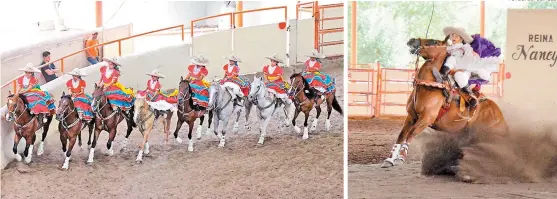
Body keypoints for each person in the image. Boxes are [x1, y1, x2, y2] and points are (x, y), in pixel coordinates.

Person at [441, 26, 501, 107]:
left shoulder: (466, 48)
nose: (453, 37)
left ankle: (469, 95)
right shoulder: (447, 48)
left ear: (461, 39)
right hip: (450, 71)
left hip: (463, 70)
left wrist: (460, 69)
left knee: (458, 75)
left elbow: (470, 62)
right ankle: (444, 72)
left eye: (456, 36)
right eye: (452, 35)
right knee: (451, 59)